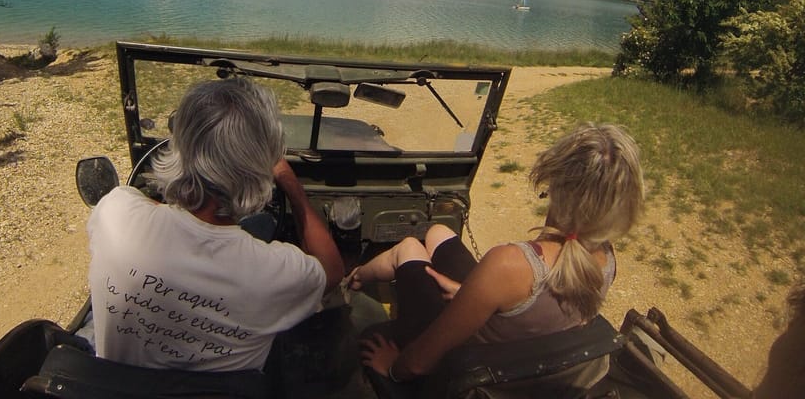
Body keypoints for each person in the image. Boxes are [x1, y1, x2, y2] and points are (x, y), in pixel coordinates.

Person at [352, 123, 645, 385]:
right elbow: (541, 310)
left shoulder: (509, 264)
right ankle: (358, 277)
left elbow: (418, 363)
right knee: (438, 232)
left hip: (465, 368)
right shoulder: (606, 258)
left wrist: (392, 369)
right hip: (521, 361)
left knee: (409, 248)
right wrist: (470, 294)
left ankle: (352, 279)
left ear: (555, 182)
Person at [86, 77, 344, 372]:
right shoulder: (274, 272)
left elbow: (152, 208)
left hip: (116, 386)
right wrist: (290, 184)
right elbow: (333, 269)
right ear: (257, 170)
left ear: (179, 146)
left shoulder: (116, 212)